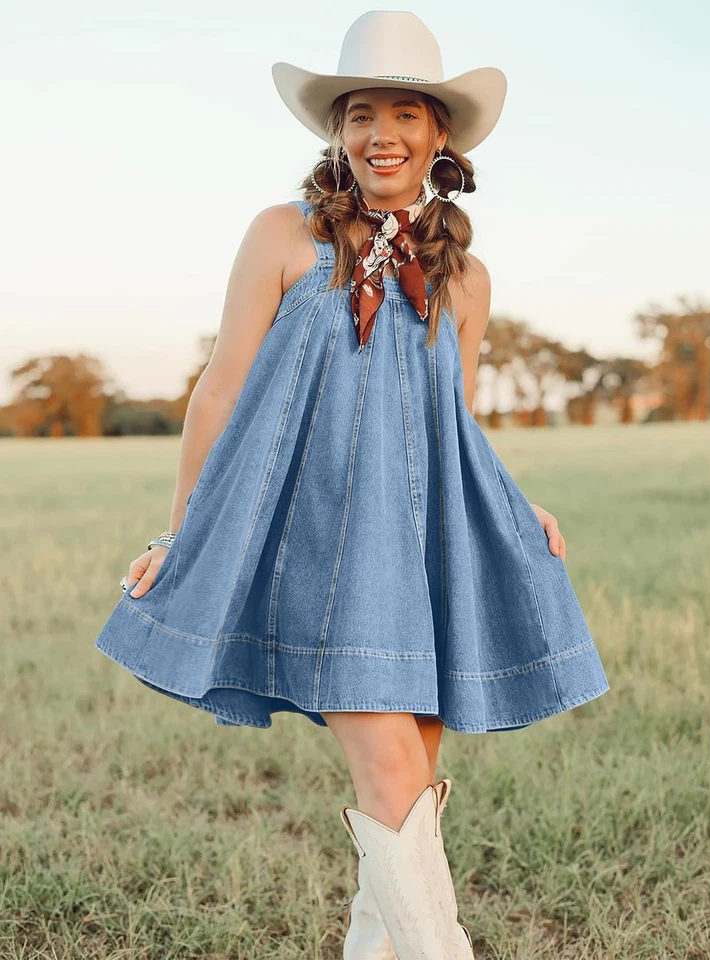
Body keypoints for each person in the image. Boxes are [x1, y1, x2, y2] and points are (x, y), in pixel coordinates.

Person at [94, 10, 610, 958]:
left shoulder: (465, 277)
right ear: (337, 130)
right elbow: (219, 391)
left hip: (417, 547)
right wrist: (182, 536)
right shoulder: (280, 236)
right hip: (319, 542)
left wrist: (508, 498)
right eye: (361, 113)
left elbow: (447, 418)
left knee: (408, 776)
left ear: (439, 134)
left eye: (406, 114)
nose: (383, 135)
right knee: (389, 768)